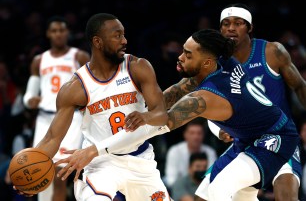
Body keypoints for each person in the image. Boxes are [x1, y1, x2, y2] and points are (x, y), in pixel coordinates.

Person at [55, 29, 299, 201]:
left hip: (274, 137)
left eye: (188, 54)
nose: (181, 56)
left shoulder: (204, 97)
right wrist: (128, 103)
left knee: (215, 192)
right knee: (221, 196)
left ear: (206, 63)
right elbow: (167, 97)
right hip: (245, 138)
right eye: (183, 50)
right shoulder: (222, 62)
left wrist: (93, 150)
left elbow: (159, 123)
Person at [16, 13, 171, 201]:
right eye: (117, 36)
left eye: (123, 34)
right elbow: (52, 138)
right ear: (98, 42)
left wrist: (146, 116)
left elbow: (162, 115)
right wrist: (29, 172)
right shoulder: (75, 87)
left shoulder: (138, 67)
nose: (124, 41)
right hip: (100, 164)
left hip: (141, 161)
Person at [206, 3, 305, 201]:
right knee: (210, 194)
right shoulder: (215, 64)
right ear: (220, 30)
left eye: (238, 23)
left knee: (286, 194)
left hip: (279, 136)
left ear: (250, 28)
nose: (231, 28)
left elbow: (299, 86)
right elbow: (207, 106)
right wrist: (219, 131)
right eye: (225, 24)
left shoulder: (271, 51)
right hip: (245, 141)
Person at [22, 16, 90, 201]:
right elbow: (29, 95)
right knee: (41, 173)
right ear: (48, 34)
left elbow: (92, 87)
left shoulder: (80, 57)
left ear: (67, 33)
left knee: (60, 176)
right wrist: (30, 101)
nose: (58, 34)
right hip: (45, 118)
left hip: (71, 119)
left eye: (62, 30)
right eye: (54, 31)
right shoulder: (38, 60)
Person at [164, 118, 216, 187]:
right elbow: (171, 179)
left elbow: (212, 178)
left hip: (202, 188)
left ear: (203, 135)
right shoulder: (175, 151)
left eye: (199, 133)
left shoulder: (210, 152)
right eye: (192, 133)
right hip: (179, 188)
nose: (196, 137)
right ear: (185, 134)